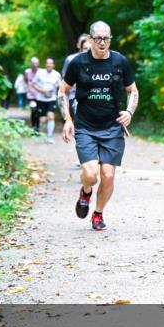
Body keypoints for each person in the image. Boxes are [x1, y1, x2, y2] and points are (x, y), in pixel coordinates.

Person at [59, 21, 138, 231]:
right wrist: (68, 119)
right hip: (85, 126)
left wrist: (129, 112)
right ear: (91, 40)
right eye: (99, 38)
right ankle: (86, 191)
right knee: (92, 175)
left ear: (110, 39)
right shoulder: (78, 63)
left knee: (108, 175)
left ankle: (98, 213)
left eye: (107, 38)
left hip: (112, 126)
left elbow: (133, 90)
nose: (103, 42)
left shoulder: (120, 61)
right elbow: (63, 91)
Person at [31, 58, 62, 143]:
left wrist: (56, 86)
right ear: (45, 65)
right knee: (43, 120)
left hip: (51, 99)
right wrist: (41, 90)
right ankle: (42, 127)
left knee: (51, 116)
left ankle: (50, 136)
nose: (49, 65)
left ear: (53, 65)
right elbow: (33, 84)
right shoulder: (40, 73)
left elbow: (60, 85)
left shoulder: (57, 74)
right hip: (41, 99)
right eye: (47, 63)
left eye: (50, 63)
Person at [61, 33, 92, 116]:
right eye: (85, 47)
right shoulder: (71, 59)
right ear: (79, 45)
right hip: (73, 95)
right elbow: (65, 76)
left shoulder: (96, 61)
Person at [24, 57, 41, 131]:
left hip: (40, 95)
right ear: (31, 64)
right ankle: (34, 126)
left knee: (38, 111)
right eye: (33, 63)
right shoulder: (27, 72)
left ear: (38, 64)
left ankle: (38, 125)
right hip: (31, 95)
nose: (34, 65)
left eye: (36, 63)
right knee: (33, 110)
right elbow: (25, 80)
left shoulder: (41, 72)